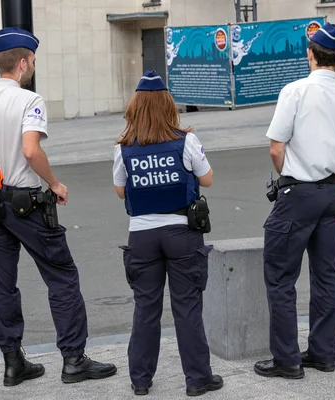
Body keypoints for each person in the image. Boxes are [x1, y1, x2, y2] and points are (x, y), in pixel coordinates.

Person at [0, 27, 116, 387]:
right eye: (34, 62)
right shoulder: (30, 101)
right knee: (62, 277)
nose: (33, 68)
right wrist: (54, 184)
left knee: (1, 284)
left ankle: (13, 363)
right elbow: (30, 150)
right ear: (23, 63)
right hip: (26, 203)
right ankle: (73, 359)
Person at [254, 23, 335, 379]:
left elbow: (276, 146)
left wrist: (284, 170)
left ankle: (287, 359)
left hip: (297, 193)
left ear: (310, 53)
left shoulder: (296, 91)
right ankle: (322, 354)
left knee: (280, 276)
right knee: (326, 276)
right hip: (333, 195)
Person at [113, 70, 223, 397]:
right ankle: (198, 379)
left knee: (146, 308)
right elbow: (207, 179)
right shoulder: (186, 140)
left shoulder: (123, 148)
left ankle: (141, 380)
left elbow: (121, 191)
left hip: (142, 236)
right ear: (168, 106)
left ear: (135, 108)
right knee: (187, 307)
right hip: (181, 232)